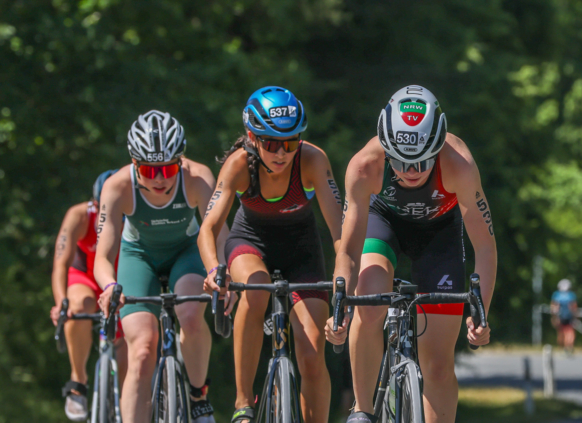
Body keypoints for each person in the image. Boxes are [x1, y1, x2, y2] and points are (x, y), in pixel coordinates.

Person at [325, 85, 496, 423]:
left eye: (422, 159)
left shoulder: (459, 164)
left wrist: (480, 314)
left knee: (437, 364)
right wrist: (339, 305)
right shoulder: (364, 166)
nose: (411, 169)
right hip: (383, 221)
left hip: (440, 232)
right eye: (400, 160)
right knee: (370, 299)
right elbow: (347, 249)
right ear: (386, 149)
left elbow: (486, 247)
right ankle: (362, 410)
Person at [199, 87, 343, 423]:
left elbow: (340, 231)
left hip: (301, 250)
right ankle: (242, 401)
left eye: (290, 143)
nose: (281, 153)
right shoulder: (238, 166)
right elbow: (207, 229)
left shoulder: (313, 160)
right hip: (251, 242)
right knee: (256, 286)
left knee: (311, 354)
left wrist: (345, 276)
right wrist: (212, 271)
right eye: (271, 143)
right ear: (252, 137)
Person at [95, 110, 220, 423]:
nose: (161, 178)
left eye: (168, 168)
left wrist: (221, 272)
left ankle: (198, 393)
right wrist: (109, 286)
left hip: (186, 252)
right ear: (134, 164)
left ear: (181, 161)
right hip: (139, 256)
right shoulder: (117, 186)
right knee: (141, 349)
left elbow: (220, 236)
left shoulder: (198, 177)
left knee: (190, 316)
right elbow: (103, 256)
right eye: (150, 171)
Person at [50, 170, 126, 421]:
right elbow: (60, 264)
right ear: (94, 204)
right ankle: (78, 381)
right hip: (85, 278)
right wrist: (61, 302)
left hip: (120, 282)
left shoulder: (134, 218)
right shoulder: (79, 216)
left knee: (131, 348)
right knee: (78, 305)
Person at [551, 279, 578, 355]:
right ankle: (569, 347)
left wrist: (554, 317)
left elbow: (553, 307)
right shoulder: (571, 295)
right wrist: (576, 316)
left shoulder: (556, 295)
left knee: (561, 333)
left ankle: (562, 348)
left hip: (560, 316)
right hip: (569, 316)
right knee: (570, 332)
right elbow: (574, 307)